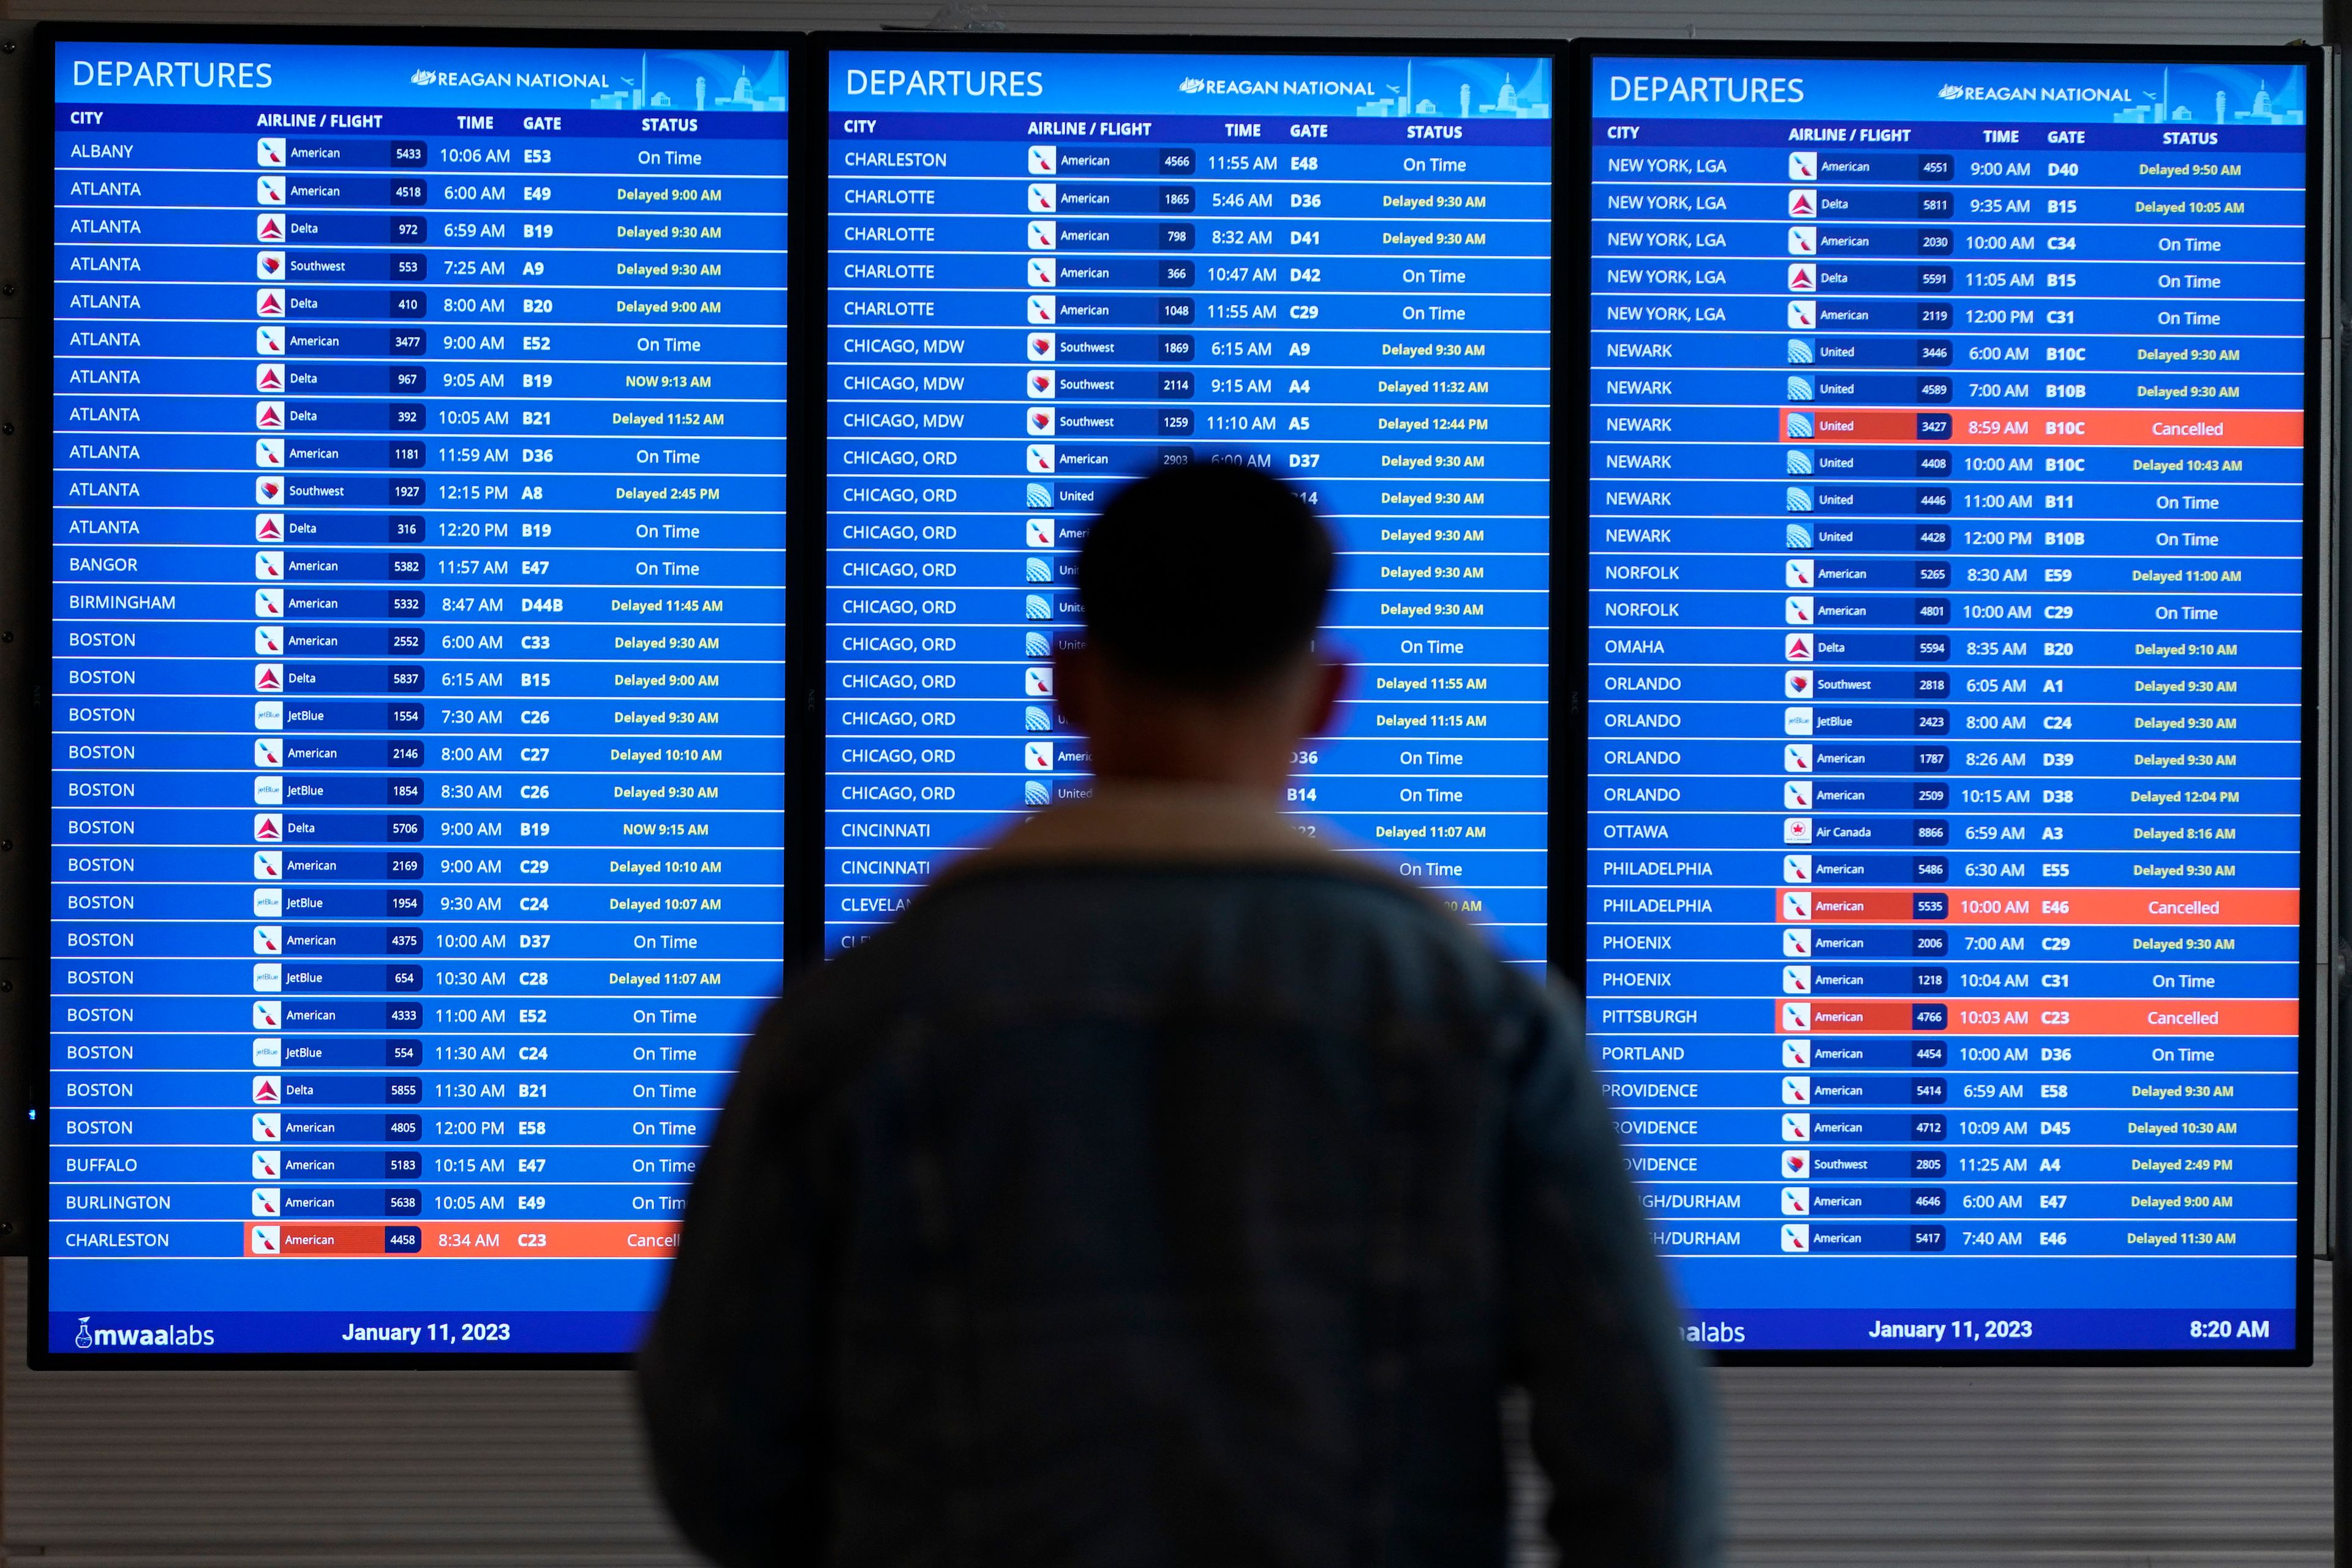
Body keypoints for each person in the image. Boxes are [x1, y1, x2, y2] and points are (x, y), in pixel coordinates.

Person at [638, 463, 1719, 1567]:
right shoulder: (1476, 1019)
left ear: (1067, 682)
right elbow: (1645, 1458)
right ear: (1326, 697)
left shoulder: (850, 1025)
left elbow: (719, 1451)